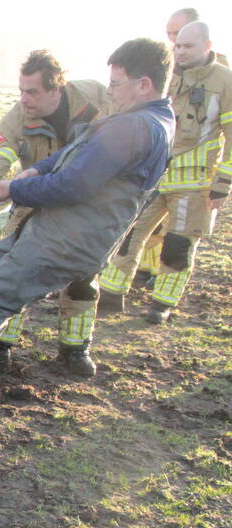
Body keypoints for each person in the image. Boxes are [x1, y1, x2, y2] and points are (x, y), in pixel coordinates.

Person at [0, 38, 175, 405]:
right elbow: (73, 153)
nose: (110, 90)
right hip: (62, 223)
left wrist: (16, 189)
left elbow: (74, 182)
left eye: (116, 83)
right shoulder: (146, 119)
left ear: (144, 84)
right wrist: (27, 174)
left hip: (71, 235)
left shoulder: (132, 126)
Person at [0, 50, 110, 376]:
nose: (24, 99)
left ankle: (75, 349)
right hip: (32, 201)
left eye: (32, 92)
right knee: (5, 272)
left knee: (83, 279)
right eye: (21, 90)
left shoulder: (96, 98)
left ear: (57, 88)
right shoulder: (19, 116)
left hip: (85, 205)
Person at [98, 22, 232, 322]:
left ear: (207, 46)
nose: (180, 51)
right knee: (128, 232)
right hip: (154, 174)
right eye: (178, 45)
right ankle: (111, 293)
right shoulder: (165, 73)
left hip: (195, 182)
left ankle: (162, 304)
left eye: (188, 46)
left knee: (179, 245)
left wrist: (224, 182)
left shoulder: (225, 81)